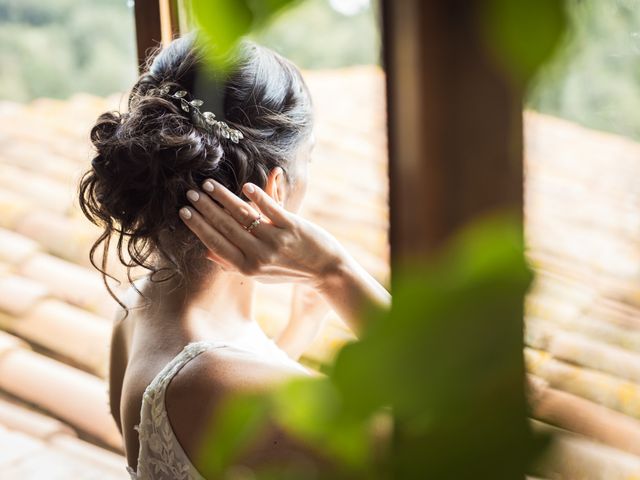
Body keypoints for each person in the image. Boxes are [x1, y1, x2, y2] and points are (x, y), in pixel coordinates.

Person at [78, 32, 390, 479]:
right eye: (311, 158)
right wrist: (334, 271)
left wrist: (296, 334)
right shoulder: (228, 386)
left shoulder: (136, 307)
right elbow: (463, 433)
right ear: (272, 191)